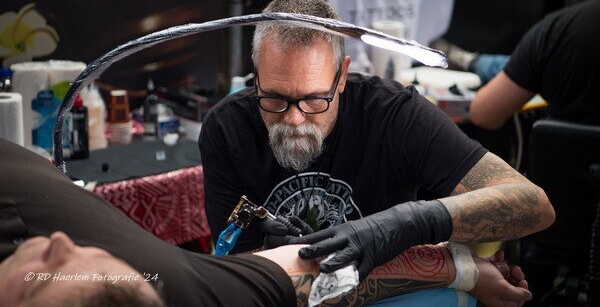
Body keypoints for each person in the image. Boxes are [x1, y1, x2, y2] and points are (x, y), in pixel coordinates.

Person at [198, 0, 555, 297]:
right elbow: (241, 287)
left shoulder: (393, 114)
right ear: (256, 71)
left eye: (314, 99)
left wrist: (407, 224)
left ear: (341, 76)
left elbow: (534, 205)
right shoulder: (227, 129)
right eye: (274, 98)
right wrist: (457, 270)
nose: (293, 118)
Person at [0, 137, 533, 307]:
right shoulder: (159, 284)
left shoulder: (151, 281)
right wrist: (457, 265)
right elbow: (312, 272)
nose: (60, 242)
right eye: (41, 286)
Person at [466, 0, 600, 130]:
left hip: (565, 145)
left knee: (504, 66)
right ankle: (473, 61)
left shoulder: (555, 31)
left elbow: (482, 113)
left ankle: (473, 61)